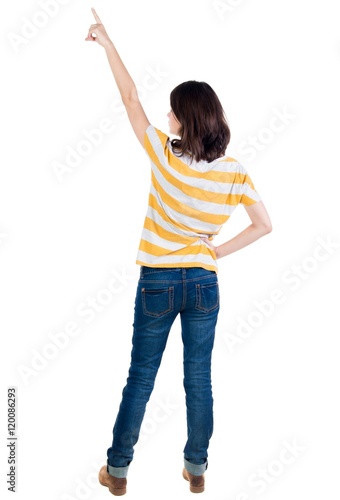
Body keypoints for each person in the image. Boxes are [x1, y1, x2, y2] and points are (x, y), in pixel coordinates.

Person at [85, 7, 272, 496]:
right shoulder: (234, 171)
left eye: (171, 110)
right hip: (205, 283)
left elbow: (129, 99)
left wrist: (108, 45)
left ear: (185, 117)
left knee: (140, 377)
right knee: (199, 380)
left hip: (158, 281)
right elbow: (264, 225)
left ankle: (118, 471)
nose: (166, 116)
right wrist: (217, 251)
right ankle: (196, 468)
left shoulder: (165, 155)